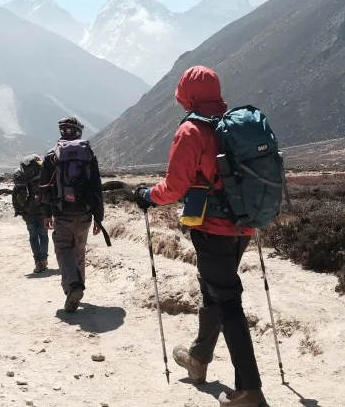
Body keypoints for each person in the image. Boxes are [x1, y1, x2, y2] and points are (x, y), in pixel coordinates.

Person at [134, 66, 266, 407]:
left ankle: (249, 390)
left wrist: (147, 196)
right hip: (243, 226)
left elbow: (175, 187)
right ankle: (198, 358)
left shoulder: (192, 130)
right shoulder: (235, 126)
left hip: (211, 229)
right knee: (215, 291)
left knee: (228, 301)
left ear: (187, 94)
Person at [39, 116, 104, 313]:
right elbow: (96, 187)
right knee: (79, 251)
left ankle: (73, 287)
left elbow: (44, 187)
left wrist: (46, 214)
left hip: (62, 212)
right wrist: (98, 217)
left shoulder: (52, 155)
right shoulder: (88, 154)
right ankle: (78, 287)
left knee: (63, 249)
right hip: (84, 213)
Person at [12, 154, 48, 274]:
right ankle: (44, 260)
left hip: (28, 212)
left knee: (33, 236)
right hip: (42, 211)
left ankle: (37, 262)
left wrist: (19, 211)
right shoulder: (41, 175)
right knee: (43, 235)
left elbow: (15, 195)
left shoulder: (22, 177)